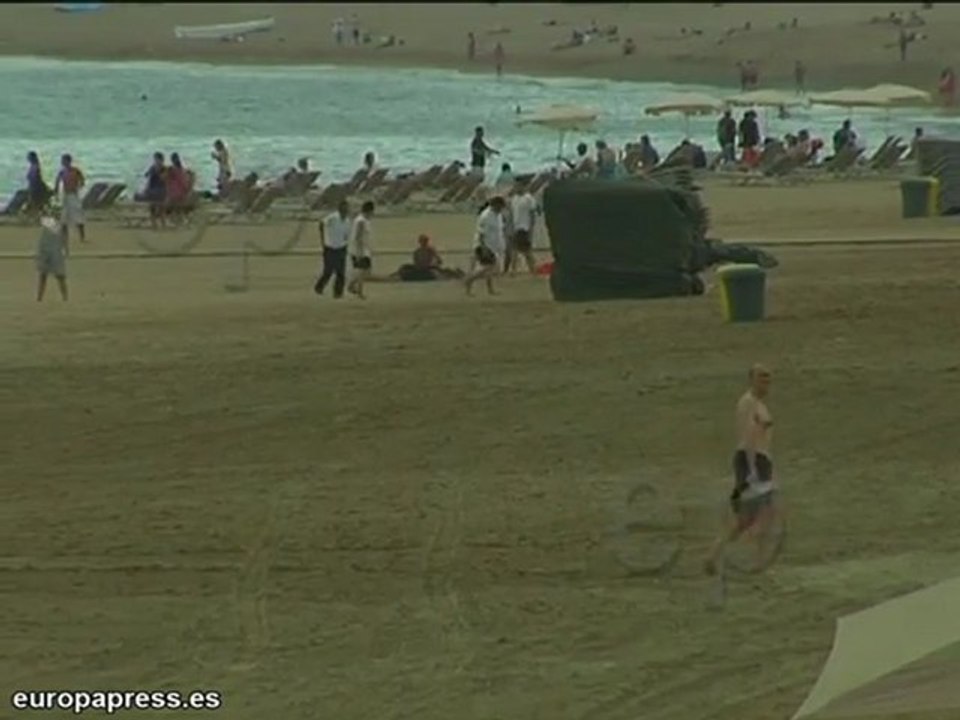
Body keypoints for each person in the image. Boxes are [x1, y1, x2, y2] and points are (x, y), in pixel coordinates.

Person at [704, 364, 776, 575]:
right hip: (751, 461)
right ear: (751, 379)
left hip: (756, 461)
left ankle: (713, 555)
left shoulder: (758, 404)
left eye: (768, 378)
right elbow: (749, 436)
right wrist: (753, 467)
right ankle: (759, 563)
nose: (766, 382)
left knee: (745, 519)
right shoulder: (749, 403)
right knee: (765, 513)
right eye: (761, 377)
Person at [465, 195, 506, 296]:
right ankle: (470, 279)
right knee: (489, 267)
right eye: (500, 207)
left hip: (494, 246)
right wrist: (483, 248)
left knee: (489, 269)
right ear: (496, 205)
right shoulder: (486, 216)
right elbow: (481, 233)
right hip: (485, 246)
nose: (501, 209)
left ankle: (489, 289)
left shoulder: (498, 215)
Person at [314, 199, 352, 298]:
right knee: (328, 271)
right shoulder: (333, 217)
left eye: (347, 208)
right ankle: (319, 287)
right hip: (330, 247)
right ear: (339, 208)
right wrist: (323, 239)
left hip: (341, 247)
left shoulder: (348, 221)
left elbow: (346, 234)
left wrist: (345, 243)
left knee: (341, 272)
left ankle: (338, 293)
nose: (346, 210)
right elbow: (322, 223)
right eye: (344, 208)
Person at [505, 185, 538, 275]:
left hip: (525, 227)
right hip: (516, 227)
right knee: (516, 250)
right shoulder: (514, 199)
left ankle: (532, 269)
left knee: (526, 251)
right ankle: (516, 270)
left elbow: (532, 215)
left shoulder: (529, 199)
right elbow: (512, 214)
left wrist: (531, 228)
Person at [54, 153, 86, 244]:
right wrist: (56, 194)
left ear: (68, 161)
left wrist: (78, 187)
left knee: (78, 215)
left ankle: (82, 236)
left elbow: (82, 181)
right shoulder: (62, 172)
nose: (63, 162)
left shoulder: (75, 171)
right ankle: (64, 237)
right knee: (64, 217)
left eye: (64, 161)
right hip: (65, 194)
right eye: (62, 161)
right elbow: (57, 182)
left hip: (73, 195)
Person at [35, 214, 68, 302]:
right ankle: (39, 297)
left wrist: (65, 247)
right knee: (43, 275)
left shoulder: (60, 221)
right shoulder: (47, 220)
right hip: (45, 248)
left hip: (55, 249)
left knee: (60, 275)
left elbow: (65, 234)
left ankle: (65, 297)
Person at [347, 200, 375, 299]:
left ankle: (352, 285)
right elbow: (358, 237)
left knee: (364, 271)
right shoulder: (361, 221)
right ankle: (358, 290)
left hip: (362, 249)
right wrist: (360, 252)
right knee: (362, 271)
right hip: (360, 250)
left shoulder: (363, 220)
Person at [140, 152, 168, 229]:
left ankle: (163, 224)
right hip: (152, 190)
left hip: (161, 190)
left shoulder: (164, 168)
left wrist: (158, 171)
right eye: (155, 159)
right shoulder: (152, 168)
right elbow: (148, 178)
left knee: (161, 209)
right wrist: (146, 189)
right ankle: (154, 224)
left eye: (157, 159)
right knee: (152, 208)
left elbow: (164, 179)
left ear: (161, 160)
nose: (155, 161)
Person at [25, 151, 52, 217]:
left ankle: (35, 215)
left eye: (29, 157)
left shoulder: (35, 166)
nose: (28, 159)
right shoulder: (34, 165)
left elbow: (35, 177)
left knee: (34, 202)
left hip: (35, 187)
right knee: (36, 203)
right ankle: (38, 214)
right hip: (34, 186)